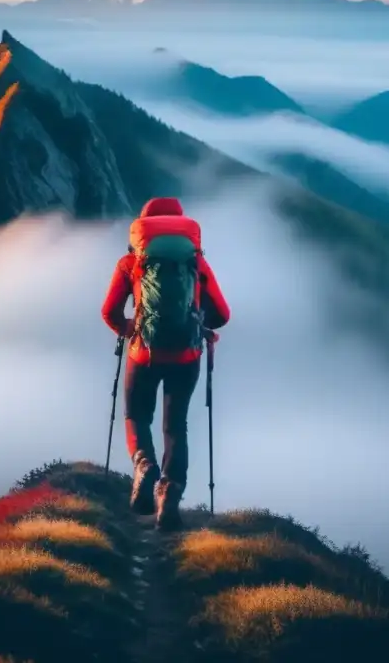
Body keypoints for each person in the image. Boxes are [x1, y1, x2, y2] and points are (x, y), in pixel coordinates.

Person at [101, 196, 230, 530]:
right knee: (176, 427)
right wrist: (199, 324)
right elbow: (222, 314)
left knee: (136, 415)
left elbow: (109, 312)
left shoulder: (131, 263)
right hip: (186, 357)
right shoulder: (196, 264)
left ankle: (144, 465)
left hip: (143, 354)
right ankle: (170, 491)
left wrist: (128, 328)